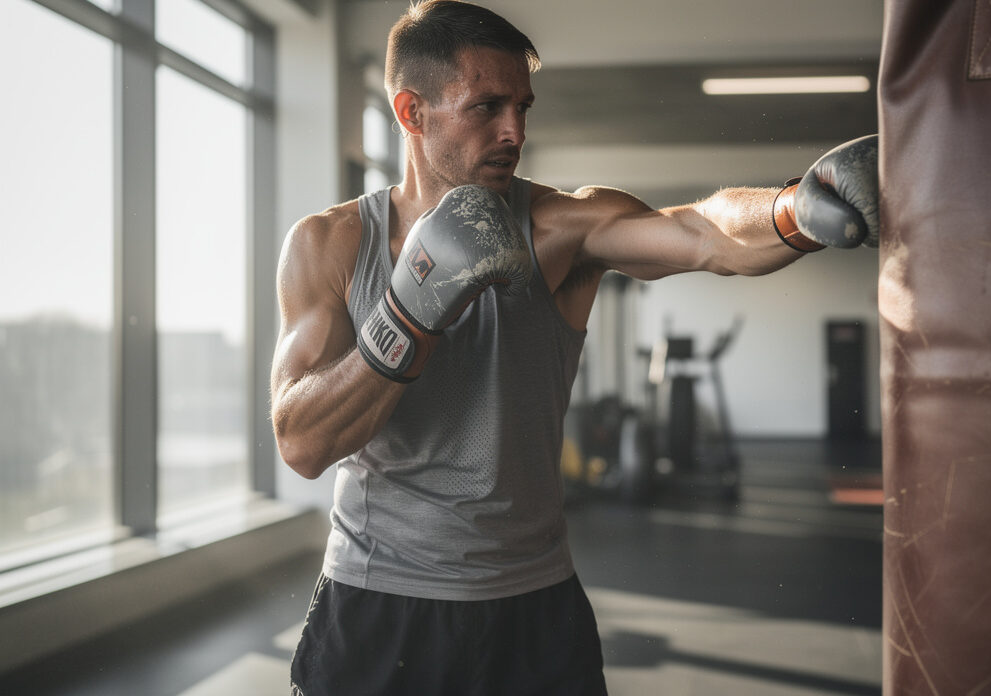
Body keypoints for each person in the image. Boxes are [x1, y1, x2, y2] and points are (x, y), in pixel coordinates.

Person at [269, 1, 878, 693]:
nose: (515, 130)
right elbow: (301, 444)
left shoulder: (560, 229)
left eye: (523, 106)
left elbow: (701, 232)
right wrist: (408, 311)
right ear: (412, 112)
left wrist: (793, 210)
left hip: (534, 604)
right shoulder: (332, 245)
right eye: (488, 106)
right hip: (379, 603)